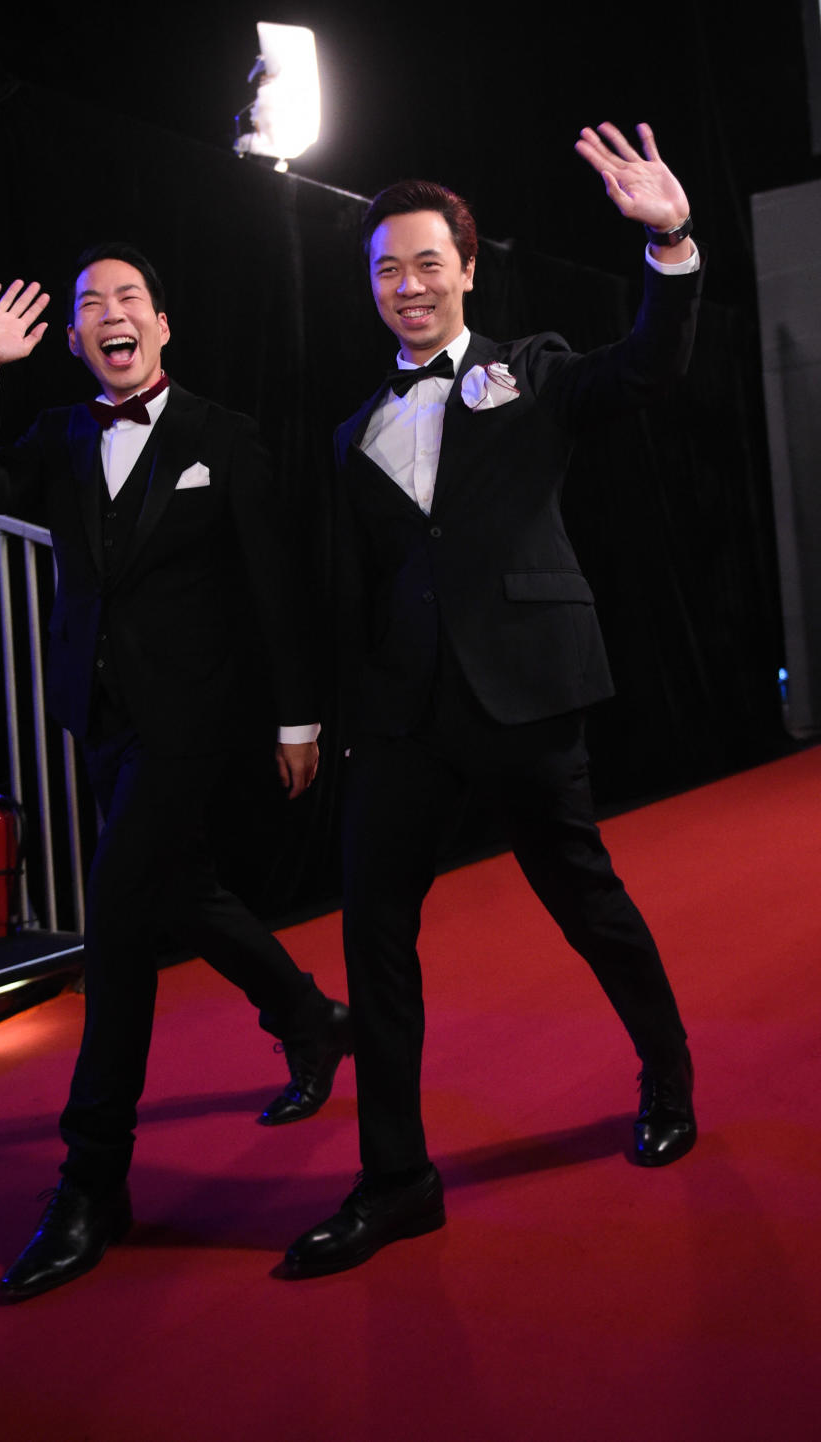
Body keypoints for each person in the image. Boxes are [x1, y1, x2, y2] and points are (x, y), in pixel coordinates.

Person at [283, 122, 701, 1278]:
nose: (406, 286)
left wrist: (671, 242)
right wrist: (323, 715)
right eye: (385, 269)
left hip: (526, 694)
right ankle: (398, 1179)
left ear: (469, 268)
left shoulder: (539, 369)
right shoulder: (350, 429)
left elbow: (648, 367)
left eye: (426, 263)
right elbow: (349, 588)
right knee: (374, 934)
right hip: (406, 717)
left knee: (586, 898)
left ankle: (668, 1071)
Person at [0, 243, 351, 1300]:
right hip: (102, 716)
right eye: (90, 306)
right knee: (181, 891)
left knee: (118, 922)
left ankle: (92, 1180)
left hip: (198, 720)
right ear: (75, 340)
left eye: (130, 298)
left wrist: (299, 717)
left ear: (164, 325)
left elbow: (276, 582)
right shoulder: (61, 432)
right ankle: (311, 1018)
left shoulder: (226, 436)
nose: (110, 314)